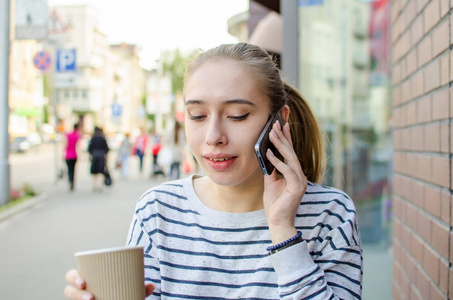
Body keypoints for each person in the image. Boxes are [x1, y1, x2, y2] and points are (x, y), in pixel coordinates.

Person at [64, 43, 362, 299]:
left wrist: (283, 229)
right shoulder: (158, 211)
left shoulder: (330, 214)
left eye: (237, 116)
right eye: (197, 116)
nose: (213, 136)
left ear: (279, 120)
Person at [87, 126, 109, 191]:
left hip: (94, 156)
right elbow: (107, 149)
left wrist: (91, 154)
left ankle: (95, 185)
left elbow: (89, 148)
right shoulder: (102, 139)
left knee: (95, 171)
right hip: (102, 156)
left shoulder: (93, 139)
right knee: (101, 171)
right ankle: (100, 185)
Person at [64, 123, 82, 191]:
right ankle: (73, 182)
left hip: (68, 155)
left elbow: (65, 144)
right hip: (74, 155)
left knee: (69, 169)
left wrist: (63, 153)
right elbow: (79, 146)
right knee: (73, 169)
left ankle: (70, 180)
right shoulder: (78, 136)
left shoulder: (68, 135)